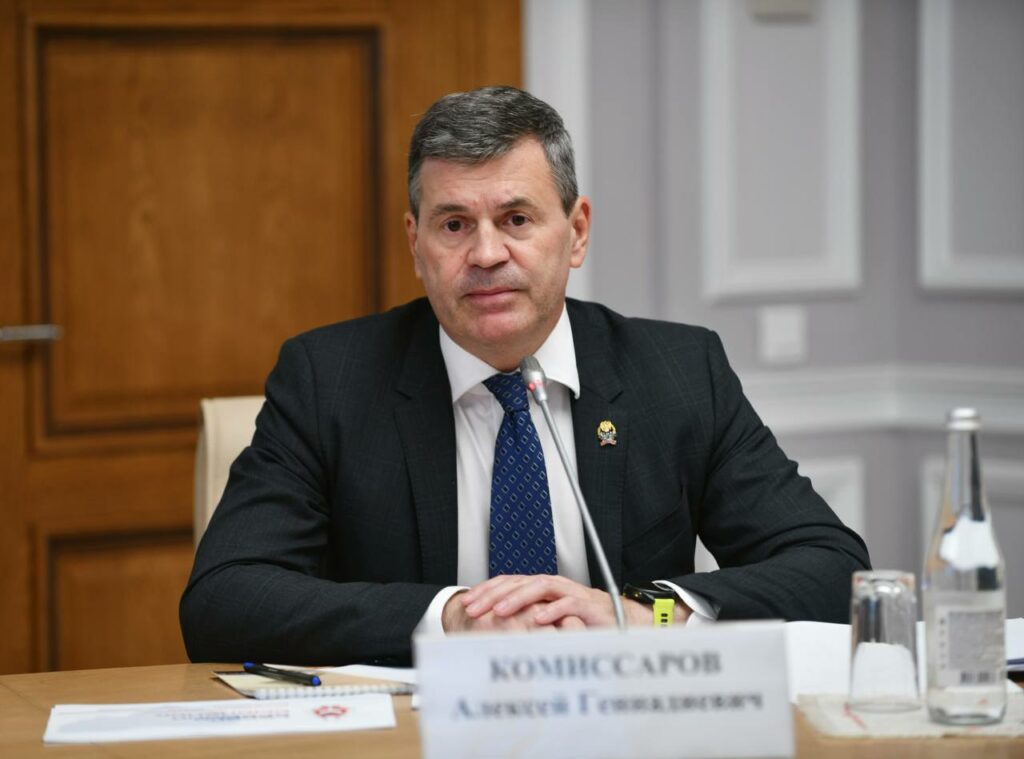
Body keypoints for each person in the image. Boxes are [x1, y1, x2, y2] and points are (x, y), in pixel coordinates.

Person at [180, 86, 870, 665]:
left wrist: (643, 614)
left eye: (516, 219)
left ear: (576, 232)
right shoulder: (328, 380)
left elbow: (832, 568)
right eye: (454, 225)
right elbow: (223, 598)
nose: (486, 254)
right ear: (415, 244)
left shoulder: (678, 372)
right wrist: (448, 619)